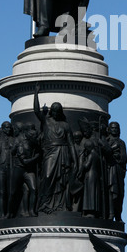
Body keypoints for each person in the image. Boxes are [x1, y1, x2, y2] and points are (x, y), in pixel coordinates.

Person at [34, 83, 78, 214]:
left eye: (58, 111)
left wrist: (74, 159)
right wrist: (36, 93)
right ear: (51, 111)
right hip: (50, 152)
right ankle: (44, 204)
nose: (56, 113)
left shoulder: (65, 125)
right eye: (54, 111)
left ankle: (60, 205)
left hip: (63, 153)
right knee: (47, 176)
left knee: (61, 180)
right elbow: (36, 111)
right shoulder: (46, 121)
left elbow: (70, 143)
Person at [107, 122, 127, 222]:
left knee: (119, 193)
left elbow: (124, 158)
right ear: (109, 129)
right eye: (112, 128)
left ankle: (118, 215)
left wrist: (117, 157)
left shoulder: (121, 143)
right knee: (110, 192)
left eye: (116, 128)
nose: (114, 130)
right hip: (109, 168)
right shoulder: (106, 141)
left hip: (117, 169)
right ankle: (110, 214)